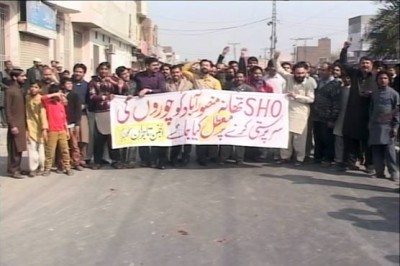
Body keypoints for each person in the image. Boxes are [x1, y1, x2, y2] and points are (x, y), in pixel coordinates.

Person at [273, 51, 316, 166]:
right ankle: (285, 157)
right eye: (298, 73)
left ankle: (299, 158)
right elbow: (279, 69)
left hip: (301, 112)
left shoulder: (309, 82)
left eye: (302, 73)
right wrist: (276, 59)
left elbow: (311, 99)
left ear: (306, 72)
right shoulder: (290, 78)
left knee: (299, 138)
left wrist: (296, 96)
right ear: (293, 72)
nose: (300, 75)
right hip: (287, 111)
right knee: (286, 136)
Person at [340, 41, 376, 174]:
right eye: (363, 63)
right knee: (350, 139)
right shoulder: (355, 74)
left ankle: (369, 165)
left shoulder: (376, 77)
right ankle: (349, 163)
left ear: (372, 66)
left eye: (367, 63)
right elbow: (343, 64)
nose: (365, 65)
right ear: (359, 65)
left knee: (368, 142)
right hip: (354, 113)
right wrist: (345, 49)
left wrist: (372, 95)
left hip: (369, 114)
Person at [134, 57, 168, 169]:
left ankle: (158, 160)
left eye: (157, 65)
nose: (157, 67)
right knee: (143, 134)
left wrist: (148, 91)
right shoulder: (139, 76)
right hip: (142, 110)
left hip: (158, 110)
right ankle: (145, 160)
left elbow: (162, 90)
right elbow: (135, 90)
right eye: (154, 65)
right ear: (147, 66)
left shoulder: (160, 76)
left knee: (158, 135)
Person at [89, 62, 123, 170]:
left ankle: (116, 160)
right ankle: (98, 161)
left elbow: (124, 88)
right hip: (100, 111)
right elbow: (92, 96)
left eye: (106, 69)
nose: (103, 71)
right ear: (98, 70)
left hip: (114, 112)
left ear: (109, 70)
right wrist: (105, 97)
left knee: (112, 138)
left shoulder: (114, 80)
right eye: (101, 69)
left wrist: (113, 82)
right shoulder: (93, 82)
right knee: (99, 138)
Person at [369, 71, 399, 182]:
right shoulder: (374, 94)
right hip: (375, 126)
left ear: (389, 80)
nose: (383, 80)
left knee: (390, 152)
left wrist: (395, 127)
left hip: (388, 127)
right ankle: (379, 172)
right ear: (377, 80)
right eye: (380, 78)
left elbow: (397, 112)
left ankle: (393, 173)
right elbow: (371, 110)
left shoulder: (394, 94)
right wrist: (370, 123)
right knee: (376, 150)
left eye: (385, 78)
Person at [219, 71, 254, 165]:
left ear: (244, 78)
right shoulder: (228, 87)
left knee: (240, 138)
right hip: (229, 116)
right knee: (227, 137)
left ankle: (239, 159)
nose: (239, 79)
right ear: (234, 78)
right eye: (237, 77)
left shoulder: (249, 89)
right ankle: (224, 158)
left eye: (241, 77)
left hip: (242, 117)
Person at [192, 59, 222, 166]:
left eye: (207, 65)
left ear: (210, 68)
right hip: (198, 112)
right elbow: (183, 70)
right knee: (200, 135)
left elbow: (219, 97)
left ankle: (212, 156)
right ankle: (201, 157)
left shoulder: (215, 82)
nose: (205, 67)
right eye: (202, 65)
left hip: (211, 111)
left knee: (212, 134)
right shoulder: (194, 78)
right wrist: (194, 61)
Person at [312, 62, 342, 167]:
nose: (321, 72)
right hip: (317, 116)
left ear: (330, 71)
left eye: (323, 70)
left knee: (327, 139)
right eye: (320, 70)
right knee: (318, 138)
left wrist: (332, 119)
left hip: (327, 117)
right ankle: (318, 157)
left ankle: (328, 158)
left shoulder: (335, 85)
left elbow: (336, 103)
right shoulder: (319, 82)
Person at [41, 84, 73, 176]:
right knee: (50, 151)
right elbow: (43, 98)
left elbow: (64, 119)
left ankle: (67, 167)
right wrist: (54, 94)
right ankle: (47, 168)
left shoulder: (60, 104)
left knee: (65, 150)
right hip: (52, 131)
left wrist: (66, 130)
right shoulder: (48, 103)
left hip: (62, 130)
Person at [166, 65, 194, 166]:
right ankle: (174, 157)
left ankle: (185, 157)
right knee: (175, 137)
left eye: (177, 72)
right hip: (173, 115)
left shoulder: (189, 84)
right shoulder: (166, 85)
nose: (175, 74)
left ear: (181, 73)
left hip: (187, 115)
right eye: (173, 73)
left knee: (187, 138)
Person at [4, 68, 27, 178]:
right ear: (14, 77)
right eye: (22, 76)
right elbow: (7, 109)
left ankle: (17, 168)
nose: (24, 78)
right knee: (14, 147)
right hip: (15, 124)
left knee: (20, 147)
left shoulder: (19, 89)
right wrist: (12, 125)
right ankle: (13, 170)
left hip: (21, 122)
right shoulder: (10, 91)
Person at [115, 66, 138, 168]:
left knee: (133, 136)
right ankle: (122, 160)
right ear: (119, 76)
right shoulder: (116, 85)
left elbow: (139, 94)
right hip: (121, 114)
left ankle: (132, 160)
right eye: (123, 74)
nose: (126, 75)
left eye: (127, 73)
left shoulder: (134, 83)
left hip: (134, 114)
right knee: (123, 137)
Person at [25, 82, 48, 177]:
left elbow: (43, 115)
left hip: (41, 127)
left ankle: (42, 167)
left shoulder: (41, 99)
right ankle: (33, 168)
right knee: (32, 149)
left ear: (40, 89)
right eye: (32, 86)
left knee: (41, 148)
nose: (33, 89)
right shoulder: (27, 98)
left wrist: (44, 128)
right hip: (30, 126)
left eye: (36, 87)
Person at [61, 77, 83, 171]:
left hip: (72, 123)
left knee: (74, 144)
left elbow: (78, 110)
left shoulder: (75, 95)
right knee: (63, 145)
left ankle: (76, 162)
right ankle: (64, 164)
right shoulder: (59, 95)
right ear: (63, 85)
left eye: (71, 84)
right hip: (62, 123)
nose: (69, 85)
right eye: (67, 84)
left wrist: (77, 123)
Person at [72, 63, 91, 167]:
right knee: (74, 138)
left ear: (84, 73)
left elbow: (90, 99)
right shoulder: (70, 84)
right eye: (76, 71)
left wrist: (85, 106)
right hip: (70, 115)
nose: (78, 73)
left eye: (80, 72)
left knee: (83, 138)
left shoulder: (87, 85)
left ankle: (82, 158)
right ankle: (74, 159)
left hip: (83, 114)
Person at [333, 72, 351, 171]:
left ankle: (349, 161)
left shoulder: (356, 90)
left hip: (352, 119)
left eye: (349, 77)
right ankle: (338, 160)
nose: (347, 79)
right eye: (345, 77)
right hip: (339, 117)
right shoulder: (339, 90)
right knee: (339, 140)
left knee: (350, 142)